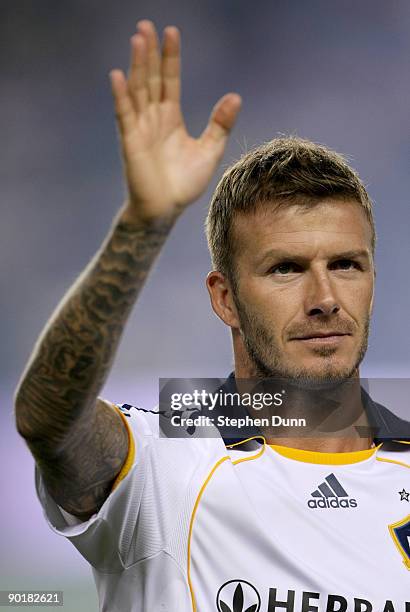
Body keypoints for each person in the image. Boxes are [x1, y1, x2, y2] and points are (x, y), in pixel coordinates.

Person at [14, 19, 409, 612]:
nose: (325, 296)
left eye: (348, 264)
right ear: (224, 297)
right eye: (286, 269)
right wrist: (142, 226)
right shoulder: (159, 467)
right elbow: (47, 419)